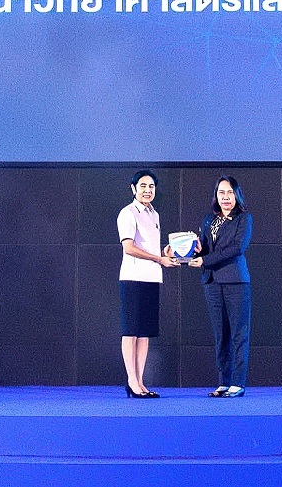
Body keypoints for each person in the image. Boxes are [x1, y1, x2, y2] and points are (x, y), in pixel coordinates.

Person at [189, 175, 252, 398]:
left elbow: (237, 248)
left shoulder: (243, 219)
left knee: (239, 334)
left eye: (230, 193)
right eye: (221, 193)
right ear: (216, 196)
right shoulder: (209, 219)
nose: (225, 197)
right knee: (221, 335)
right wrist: (193, 250)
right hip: (212, 282)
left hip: (236, 282)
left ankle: (237, 383)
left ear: (237, 195)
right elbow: (205, 250)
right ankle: (224, 382)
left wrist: (205, 260)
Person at [118, 170, 178, 398]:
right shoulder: (128, 213)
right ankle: (131, 381)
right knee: (130, 332)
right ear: (133, 189)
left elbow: (151, 249)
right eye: (143, 186)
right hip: (133, 278)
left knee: (144, 333)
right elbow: (129, 248)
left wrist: (166, 253)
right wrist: (159, 259)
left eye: (151, 186)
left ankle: (140, 382)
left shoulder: (154, 215)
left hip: (152, 277)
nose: (147, 190)